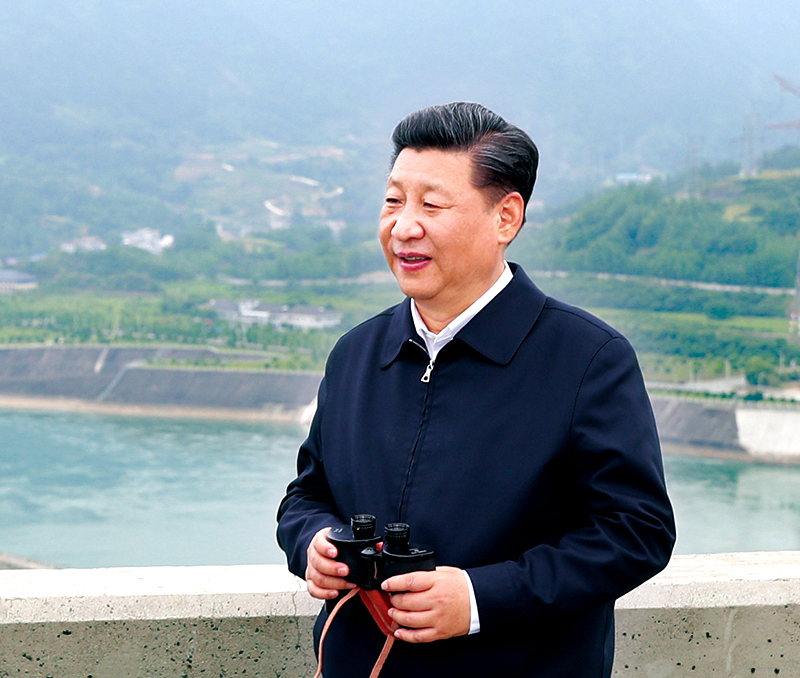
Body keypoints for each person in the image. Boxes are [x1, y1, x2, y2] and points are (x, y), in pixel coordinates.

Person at [277, 102, 675, 678]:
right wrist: (315, 543)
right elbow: (306, 496)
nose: (404, 226)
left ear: (505, 218)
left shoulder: (587, 359)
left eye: (432, 205)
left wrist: (479, 599)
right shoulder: (355, 353)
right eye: (393, 201)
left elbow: (636, 532)